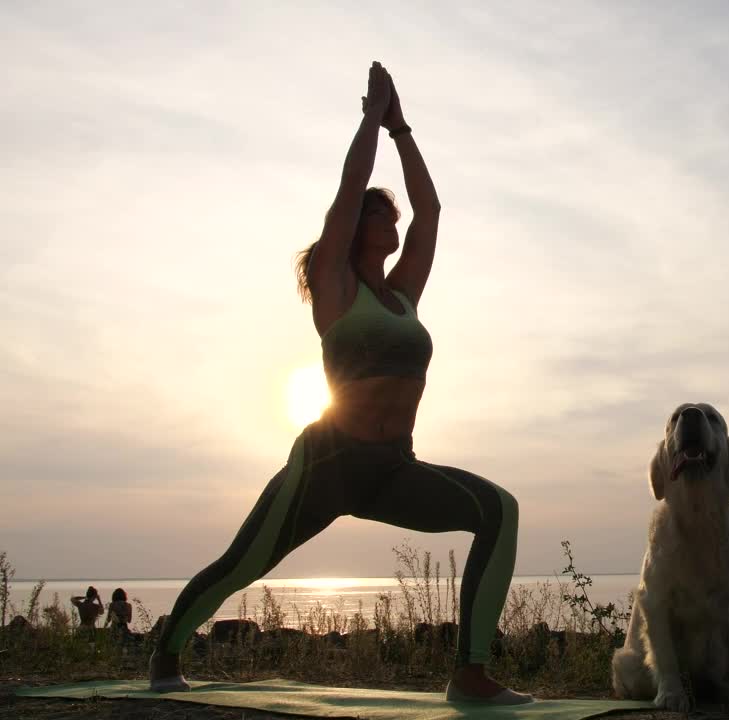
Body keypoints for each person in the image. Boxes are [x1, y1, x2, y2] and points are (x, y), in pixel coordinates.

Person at [148, 61, 530, 705]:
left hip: (391, 467)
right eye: (385, 217)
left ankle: (470, 673)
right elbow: (350, 188)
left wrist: (403, 128)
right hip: (326, 462)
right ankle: (166, 647)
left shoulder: (404, 297)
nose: (397, 223)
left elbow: (433, 209)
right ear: (358, 230)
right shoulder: (335, 285)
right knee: (243, 564)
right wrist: (370, 119)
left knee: (499, 510)